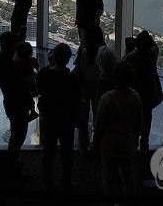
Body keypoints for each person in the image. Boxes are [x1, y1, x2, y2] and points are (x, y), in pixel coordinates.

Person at [93, 61, 143, 200]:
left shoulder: (107, 99)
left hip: (109, 144)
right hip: (127, 143)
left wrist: (96, 142)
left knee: (109, 178)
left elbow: (99, 124)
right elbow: (139, 123)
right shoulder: (135, 97)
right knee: (128, 176)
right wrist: (136, 140)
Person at [37, 43, 81, 192]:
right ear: (68, 59)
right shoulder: (71, 79)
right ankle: (66, 182)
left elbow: (40, 90)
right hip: (66, 120)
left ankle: (46, 181)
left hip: (49, 118)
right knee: (67, 153)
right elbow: (76, 100)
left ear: (52, 57)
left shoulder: (43, 74)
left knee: (48, 152)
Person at [0, 31, 30, 176]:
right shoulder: (9, 64)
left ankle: (13, 160)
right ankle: (12, 164)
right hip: (17, 101)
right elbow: (22, 78)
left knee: (16, 132)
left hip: (10, 100)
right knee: (18, 134)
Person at [122, 30, 163, 152]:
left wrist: (131, 47)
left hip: (135, 92)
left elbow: (123, 64)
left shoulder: (131, 57)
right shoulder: (152, 54)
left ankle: (134, 141)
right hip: (149, 92)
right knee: (147, 116)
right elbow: (155, 46)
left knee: (134, 116)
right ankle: (144, 141)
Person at [74, 23, 106, 154]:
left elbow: (79, 69)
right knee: (99, 117)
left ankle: (83, 147)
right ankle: (98, 145)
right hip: (99, 86)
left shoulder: (84, 51)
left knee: (83, 118)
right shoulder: (102, 50)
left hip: (84, 86)